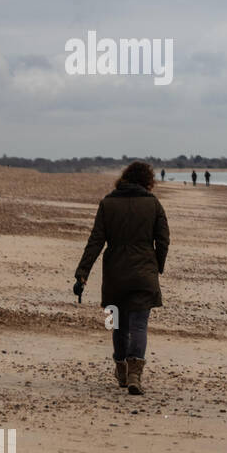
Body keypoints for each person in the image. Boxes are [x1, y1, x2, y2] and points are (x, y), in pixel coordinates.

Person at [74, 161, 170, 396]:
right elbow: (164, 239)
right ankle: (136, 373)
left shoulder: (108, 203)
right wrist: (157, 265)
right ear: (148, 181)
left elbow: (95, 241)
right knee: (139, 324)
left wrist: (82, 274)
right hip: (144, 273)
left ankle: (122, 369)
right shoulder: (153, 204)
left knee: (119, 324)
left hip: (116, 274)